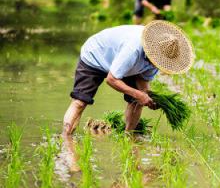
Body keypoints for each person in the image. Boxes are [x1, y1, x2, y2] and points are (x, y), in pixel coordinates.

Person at [61, 20, 194, 171]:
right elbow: (111, 79)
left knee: (136, 101)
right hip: (96, 56)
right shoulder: (133, 49)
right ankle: (66, 143)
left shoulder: (157, 60)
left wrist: (148, 98)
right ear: (152, 52)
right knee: (80, 102)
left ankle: (129, 138)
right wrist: (138, 94)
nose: (158, 65)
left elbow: (143, 84)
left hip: (126, 65)